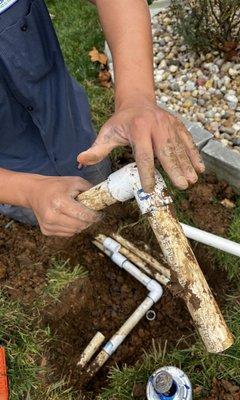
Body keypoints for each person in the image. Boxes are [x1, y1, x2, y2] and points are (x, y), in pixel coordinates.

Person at [0, 0, 204, 237]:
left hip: (64, 118)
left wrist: (136, 99)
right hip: (10, 166)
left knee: (90, 168)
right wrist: (27, 191)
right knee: (34, 211)